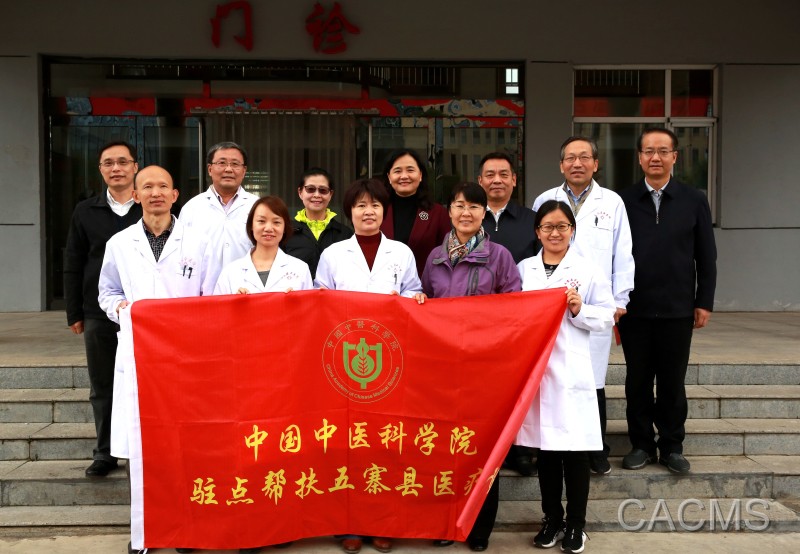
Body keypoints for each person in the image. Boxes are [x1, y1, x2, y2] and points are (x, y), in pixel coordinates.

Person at [97, 165, 213, 554]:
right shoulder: (120, 243)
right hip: (139, 357)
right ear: (135, 195)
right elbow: (107, 291)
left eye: (163, 186)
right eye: (147, 186)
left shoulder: (199, 242)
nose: (156, 193)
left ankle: (186, 528)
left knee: (185, 444)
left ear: (175, 195)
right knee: (142, 444)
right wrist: (121, 309)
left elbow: (210, 297)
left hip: (185, 358)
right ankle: (144, 532)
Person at [315, 178, 422, 554]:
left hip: (390, 362)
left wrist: (412, 299)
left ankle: (383, 521)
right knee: (348, 445)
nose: (368, 211)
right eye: (360, 205)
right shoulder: (333, 254)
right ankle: (349, 523)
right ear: (350, 212)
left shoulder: (401, 252)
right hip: (345, 363)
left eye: (375, 205)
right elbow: (320, 302)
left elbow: (414, 291)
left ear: (384, 211)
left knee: (385, 443)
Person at [416, 182, 520, 552]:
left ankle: (479, 528)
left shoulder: (500, 257)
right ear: (449, 210)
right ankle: (445, 523)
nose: (466, 213)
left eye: (474, 206)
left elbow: (514, 308)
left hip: (483, 367)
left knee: (482, 448)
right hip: (442, 368)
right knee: (444, 449)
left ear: (483, 212)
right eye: (460, 205)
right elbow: (424, 300)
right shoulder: (434, 257)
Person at [516, 200, 615, 554]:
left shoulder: (587, 270)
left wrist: (579, 308)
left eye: (562, 226)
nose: (555, 233)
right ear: (537, 232)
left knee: (574, 453)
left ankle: (576, 524)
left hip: (571, 371)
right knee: (546, 453)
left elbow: (607, 316)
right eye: (548, 227)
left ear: (572, 230)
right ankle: (552, 519)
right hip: (537, 373)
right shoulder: (524, 269)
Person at [532, 137, 635, 476]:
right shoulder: (546, 199)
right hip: (551, 310)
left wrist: (620, 299)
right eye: (570, 158)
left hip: (593, 301)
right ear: (561, 164)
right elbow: (538, 249)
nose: (577, 163)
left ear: (595, 163)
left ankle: (596, 450)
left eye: (584, 157)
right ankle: (547, 446)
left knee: (592, 380)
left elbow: (623, 252)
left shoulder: (612, 202)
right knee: (554, 378)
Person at [617, 128, 717, 475]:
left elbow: (706, 255)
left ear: (675, 156)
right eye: (648, 151)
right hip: (635, 308)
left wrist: (704, 301)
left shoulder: (693, 199)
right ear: (639, 158)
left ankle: (672, 446)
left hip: (677, 308)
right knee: (638, 380)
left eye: (662, 151)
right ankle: (641, 444)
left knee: (673, 381)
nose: (655, 157)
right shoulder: (623, 201)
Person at [63, 141, 143, 478]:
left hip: (145, 313)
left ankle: (144, 448)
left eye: (123, 162)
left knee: (146, 383)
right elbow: (74, 261)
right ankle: (105, 452)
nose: (116, 168)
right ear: (100, 170)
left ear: (135, 167)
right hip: (99, 311)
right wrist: (75, 312)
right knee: (103, 384)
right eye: (108, 163)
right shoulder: (86, 210)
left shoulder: (150, 205)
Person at [477, 151, 538, 476]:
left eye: (504, 174)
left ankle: (522, 451)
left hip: (520, 320)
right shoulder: (469, 217)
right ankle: (488, 449)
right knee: (485, 391)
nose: (497, 180)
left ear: (514, 180)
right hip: (478, 322)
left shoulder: (532, 220)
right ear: (480, 181)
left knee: (517, 386)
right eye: (490, 175)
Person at [179, 141, 258, 288]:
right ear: (210, 169)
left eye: (235, 164)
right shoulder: (191, 208)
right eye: (222, 163)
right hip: (205, 290)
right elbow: (181, 255)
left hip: (248, 288)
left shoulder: (257, 206)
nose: (228, 169)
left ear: (244, 171)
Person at [215, 195, 313, 295]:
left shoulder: (300, 269)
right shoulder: (230, 272)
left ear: (284, 228)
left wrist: (296, 301)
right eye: (261, 221)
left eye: (276, 222)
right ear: (251, 225)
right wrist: (235, 301)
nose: (268, 228)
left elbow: (309, 304)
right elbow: (218, 305)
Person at [379, 149, 451, 276]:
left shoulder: (438, 213)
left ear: (420, 175)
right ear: (389, 177)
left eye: (410, 170)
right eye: (397, 171)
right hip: (384, 285)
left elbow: (446, 257)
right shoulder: (378, 211)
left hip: (425, 286)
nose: (404, 176)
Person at [283, 167, 353, 277]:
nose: (317, 195)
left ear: (330, 194)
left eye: (323, 190)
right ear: (300, 192)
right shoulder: (285, 232)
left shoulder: (345, 234)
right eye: (310, 189)